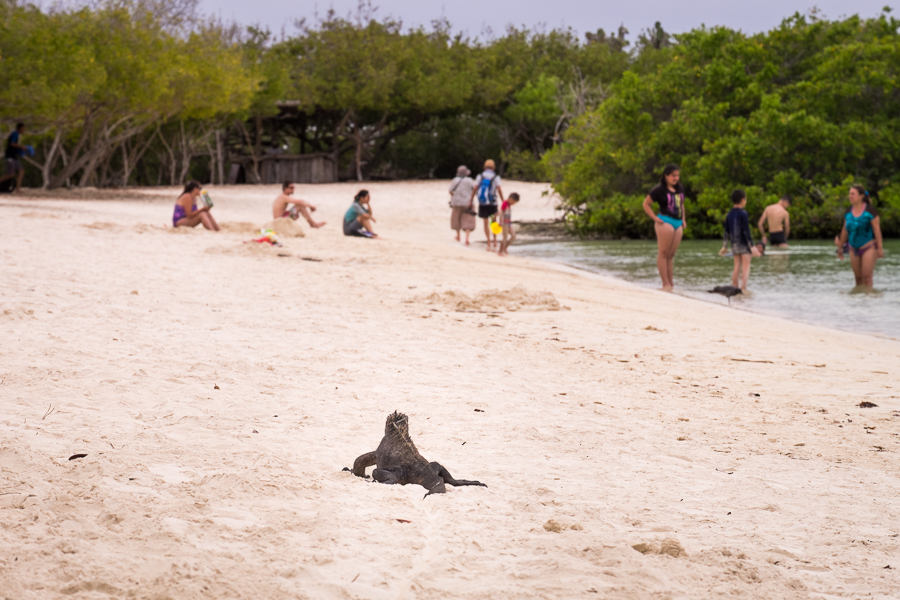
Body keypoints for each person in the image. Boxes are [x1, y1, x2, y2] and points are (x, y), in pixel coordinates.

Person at [642, 163, 686, 290]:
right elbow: (646, 204)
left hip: (678, 223)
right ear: (666, 176)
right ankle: (665, 284)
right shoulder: (659, 189)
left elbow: (681, 204)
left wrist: (683, 219)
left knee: (671, 255)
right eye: (673, 175)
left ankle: (671, 284)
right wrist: (655, 218)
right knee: (663, 253)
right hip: (665, 221)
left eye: (677, 175)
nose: (676, 178)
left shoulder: (680, 188)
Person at [835, 185, 884, 288]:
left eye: (853, 194)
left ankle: (869, 300)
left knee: (867, 277)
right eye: (849, 194)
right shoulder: (848, 211)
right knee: (858, 279)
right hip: (853, 248)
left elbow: (877, 229)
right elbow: (844, 230)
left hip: (869, 246)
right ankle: (859, 301)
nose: (850, 196)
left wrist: (880, 248)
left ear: (861, 196)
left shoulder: (870, 210)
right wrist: (840, 247)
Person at [720, 189, 754, 290]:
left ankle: (735, 288)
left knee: (736, 267)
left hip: (734, 244)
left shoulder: (729, 214)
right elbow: (746, 230)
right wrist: (751, 245)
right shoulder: (744, 213)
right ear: (743, 200)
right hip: (743, 244)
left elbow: (726, 232)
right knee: (746, 267)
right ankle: (743, 289)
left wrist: (724, 246)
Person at [469, 159, 504, 251]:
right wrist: (503, 200)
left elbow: (475, 188)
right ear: (494, 167)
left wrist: (471, 199)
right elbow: (499, 189)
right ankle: (495, 240)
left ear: (484, 167)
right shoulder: (496, 177)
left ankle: (488, 241)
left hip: (483, 203)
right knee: (493, 221)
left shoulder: (480, 176)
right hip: (493, 203)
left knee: (485, 222)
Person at [449, 166, 476, 244]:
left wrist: (454, 196)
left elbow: (450, 190)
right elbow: (474, 189)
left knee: (456, 218)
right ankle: (467, 238)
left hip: (456, 202)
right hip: (467, 202)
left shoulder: (455, 180)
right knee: (468, 219)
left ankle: (458, 236)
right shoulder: (469, 180)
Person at [0, 123, 31, 193]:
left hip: (14, 157)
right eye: (23, 128)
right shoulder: (15, 134)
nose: (24, 130)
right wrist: (21, 146)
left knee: (21, 171)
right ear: (19, 128)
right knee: (10, 174)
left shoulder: (18, 135)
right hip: (10, 157)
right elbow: (12, 143)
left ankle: (18, 189)